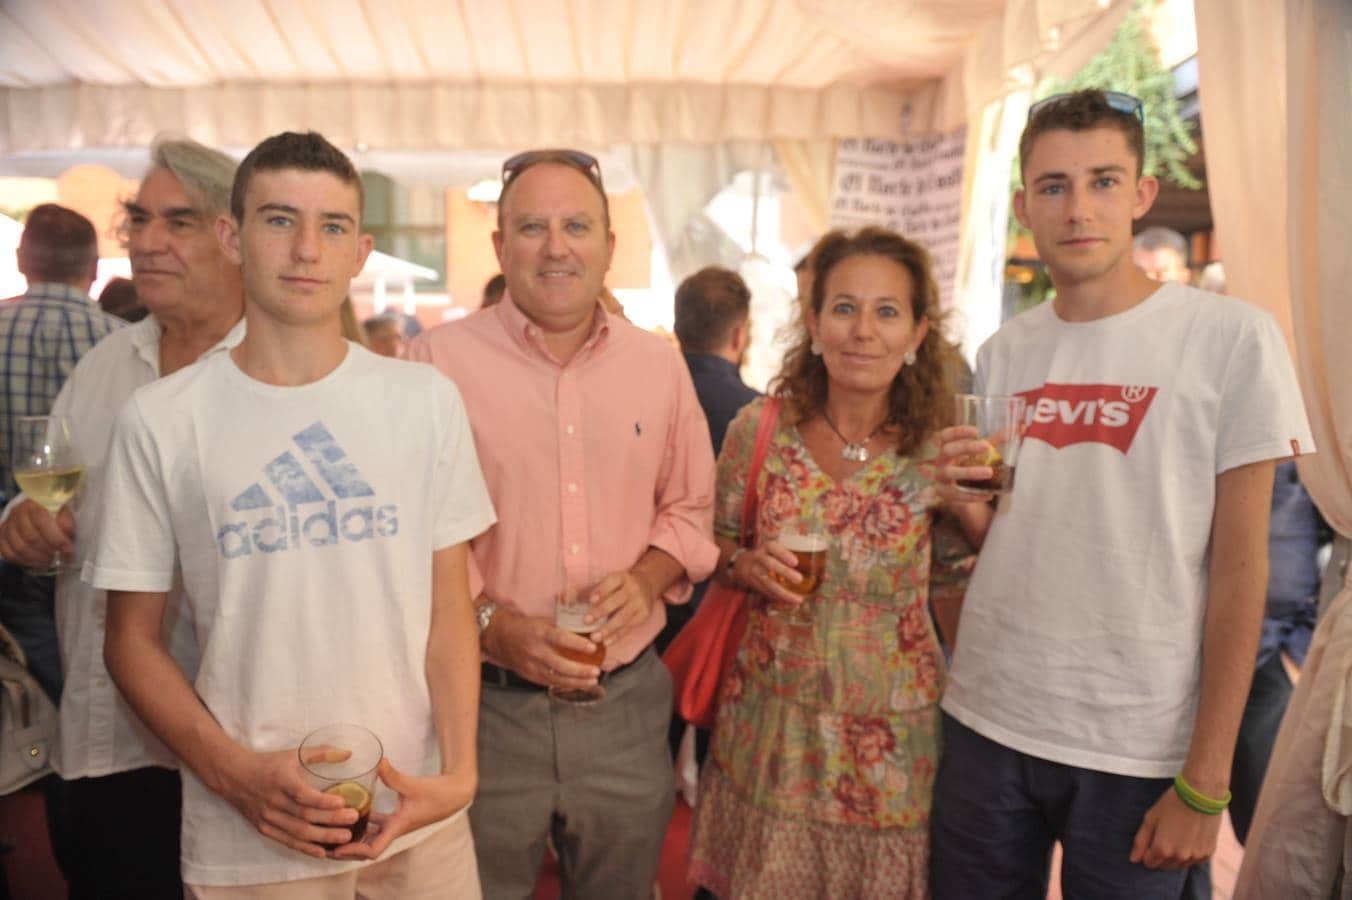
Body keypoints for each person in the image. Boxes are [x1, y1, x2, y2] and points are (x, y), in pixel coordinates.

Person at [928, 89, 1314, 899]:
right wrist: (962, 503)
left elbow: (1246, 574)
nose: (1078, 208)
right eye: (1054, 185)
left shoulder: (1232, 339)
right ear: (1026, 204)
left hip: (1138, 745)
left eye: (1103, 180)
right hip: (988, 717)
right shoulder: (1005, 352)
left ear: (1140, 195)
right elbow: (1015, 536)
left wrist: (1207, 781)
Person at [88, 131, 495, 898]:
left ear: (361, 251)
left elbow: (450, 610)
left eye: (332, 227)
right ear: (232, 237)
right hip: (252, 829)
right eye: (279, 220)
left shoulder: (424, 402)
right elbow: (130, 643)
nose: (307, 248)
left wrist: (462, 775)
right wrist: (234, 775)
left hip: (418, 816)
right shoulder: (163, 419)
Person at [405, 147, 717, 899]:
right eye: (533, 227)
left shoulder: (659, 365)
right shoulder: (434, 364)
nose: (555, 246)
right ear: (501, 245)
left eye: (576, 225)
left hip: (624, 707)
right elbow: (407, 532)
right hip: (482, 709)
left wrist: (648, 580)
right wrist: (490, 623)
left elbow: (691, 509)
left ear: (610, 246)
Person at [687, 227, 978, 898]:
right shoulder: (758, 430)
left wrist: (970, 510)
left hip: (893, 741)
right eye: (844, 308)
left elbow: (959, 586)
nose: (863, 331)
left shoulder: (940, 450)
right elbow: (715, 544)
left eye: (887, 311)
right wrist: (742, 565)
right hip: (771, 728)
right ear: (814, 322)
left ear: (917, 333)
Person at [0, 139, 244, 899]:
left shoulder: (277, 378)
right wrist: (24, 525)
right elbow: (55, 499)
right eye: (140, 219)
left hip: (226, 756)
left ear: (235, 238)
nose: (145, 241)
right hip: (99, 742)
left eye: (179, 221)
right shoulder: (108, 362)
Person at [0, 203, 122, 705]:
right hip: (93, 552)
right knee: (86, 691)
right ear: (94, 270)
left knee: (20, 702)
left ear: (21, 259)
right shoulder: (123, 342)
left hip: (6, 556)